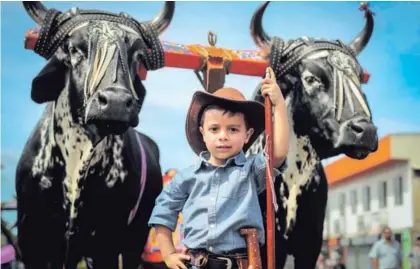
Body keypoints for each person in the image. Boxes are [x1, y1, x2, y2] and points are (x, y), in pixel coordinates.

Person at [148, 67, 289, 269]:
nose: (223, 136)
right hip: (196, 263)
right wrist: (168, 253)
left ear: (247, 135)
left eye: (233, 129)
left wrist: (279, 106)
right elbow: (163, 210)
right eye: (214, 129)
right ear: (203, 133)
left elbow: (278, 153)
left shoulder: (251, 171)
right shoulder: (186, 178)